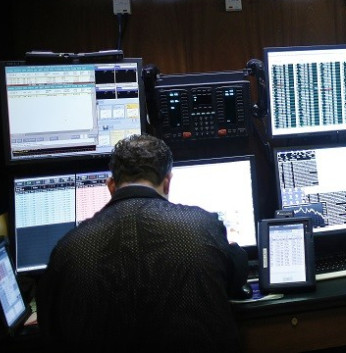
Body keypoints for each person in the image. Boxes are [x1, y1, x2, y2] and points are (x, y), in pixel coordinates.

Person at [37, 134, 249, 353]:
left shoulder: (69, 248)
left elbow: (50, 326)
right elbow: (237, 276)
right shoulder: (203, 225)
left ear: (111, 185)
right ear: (167, 182)